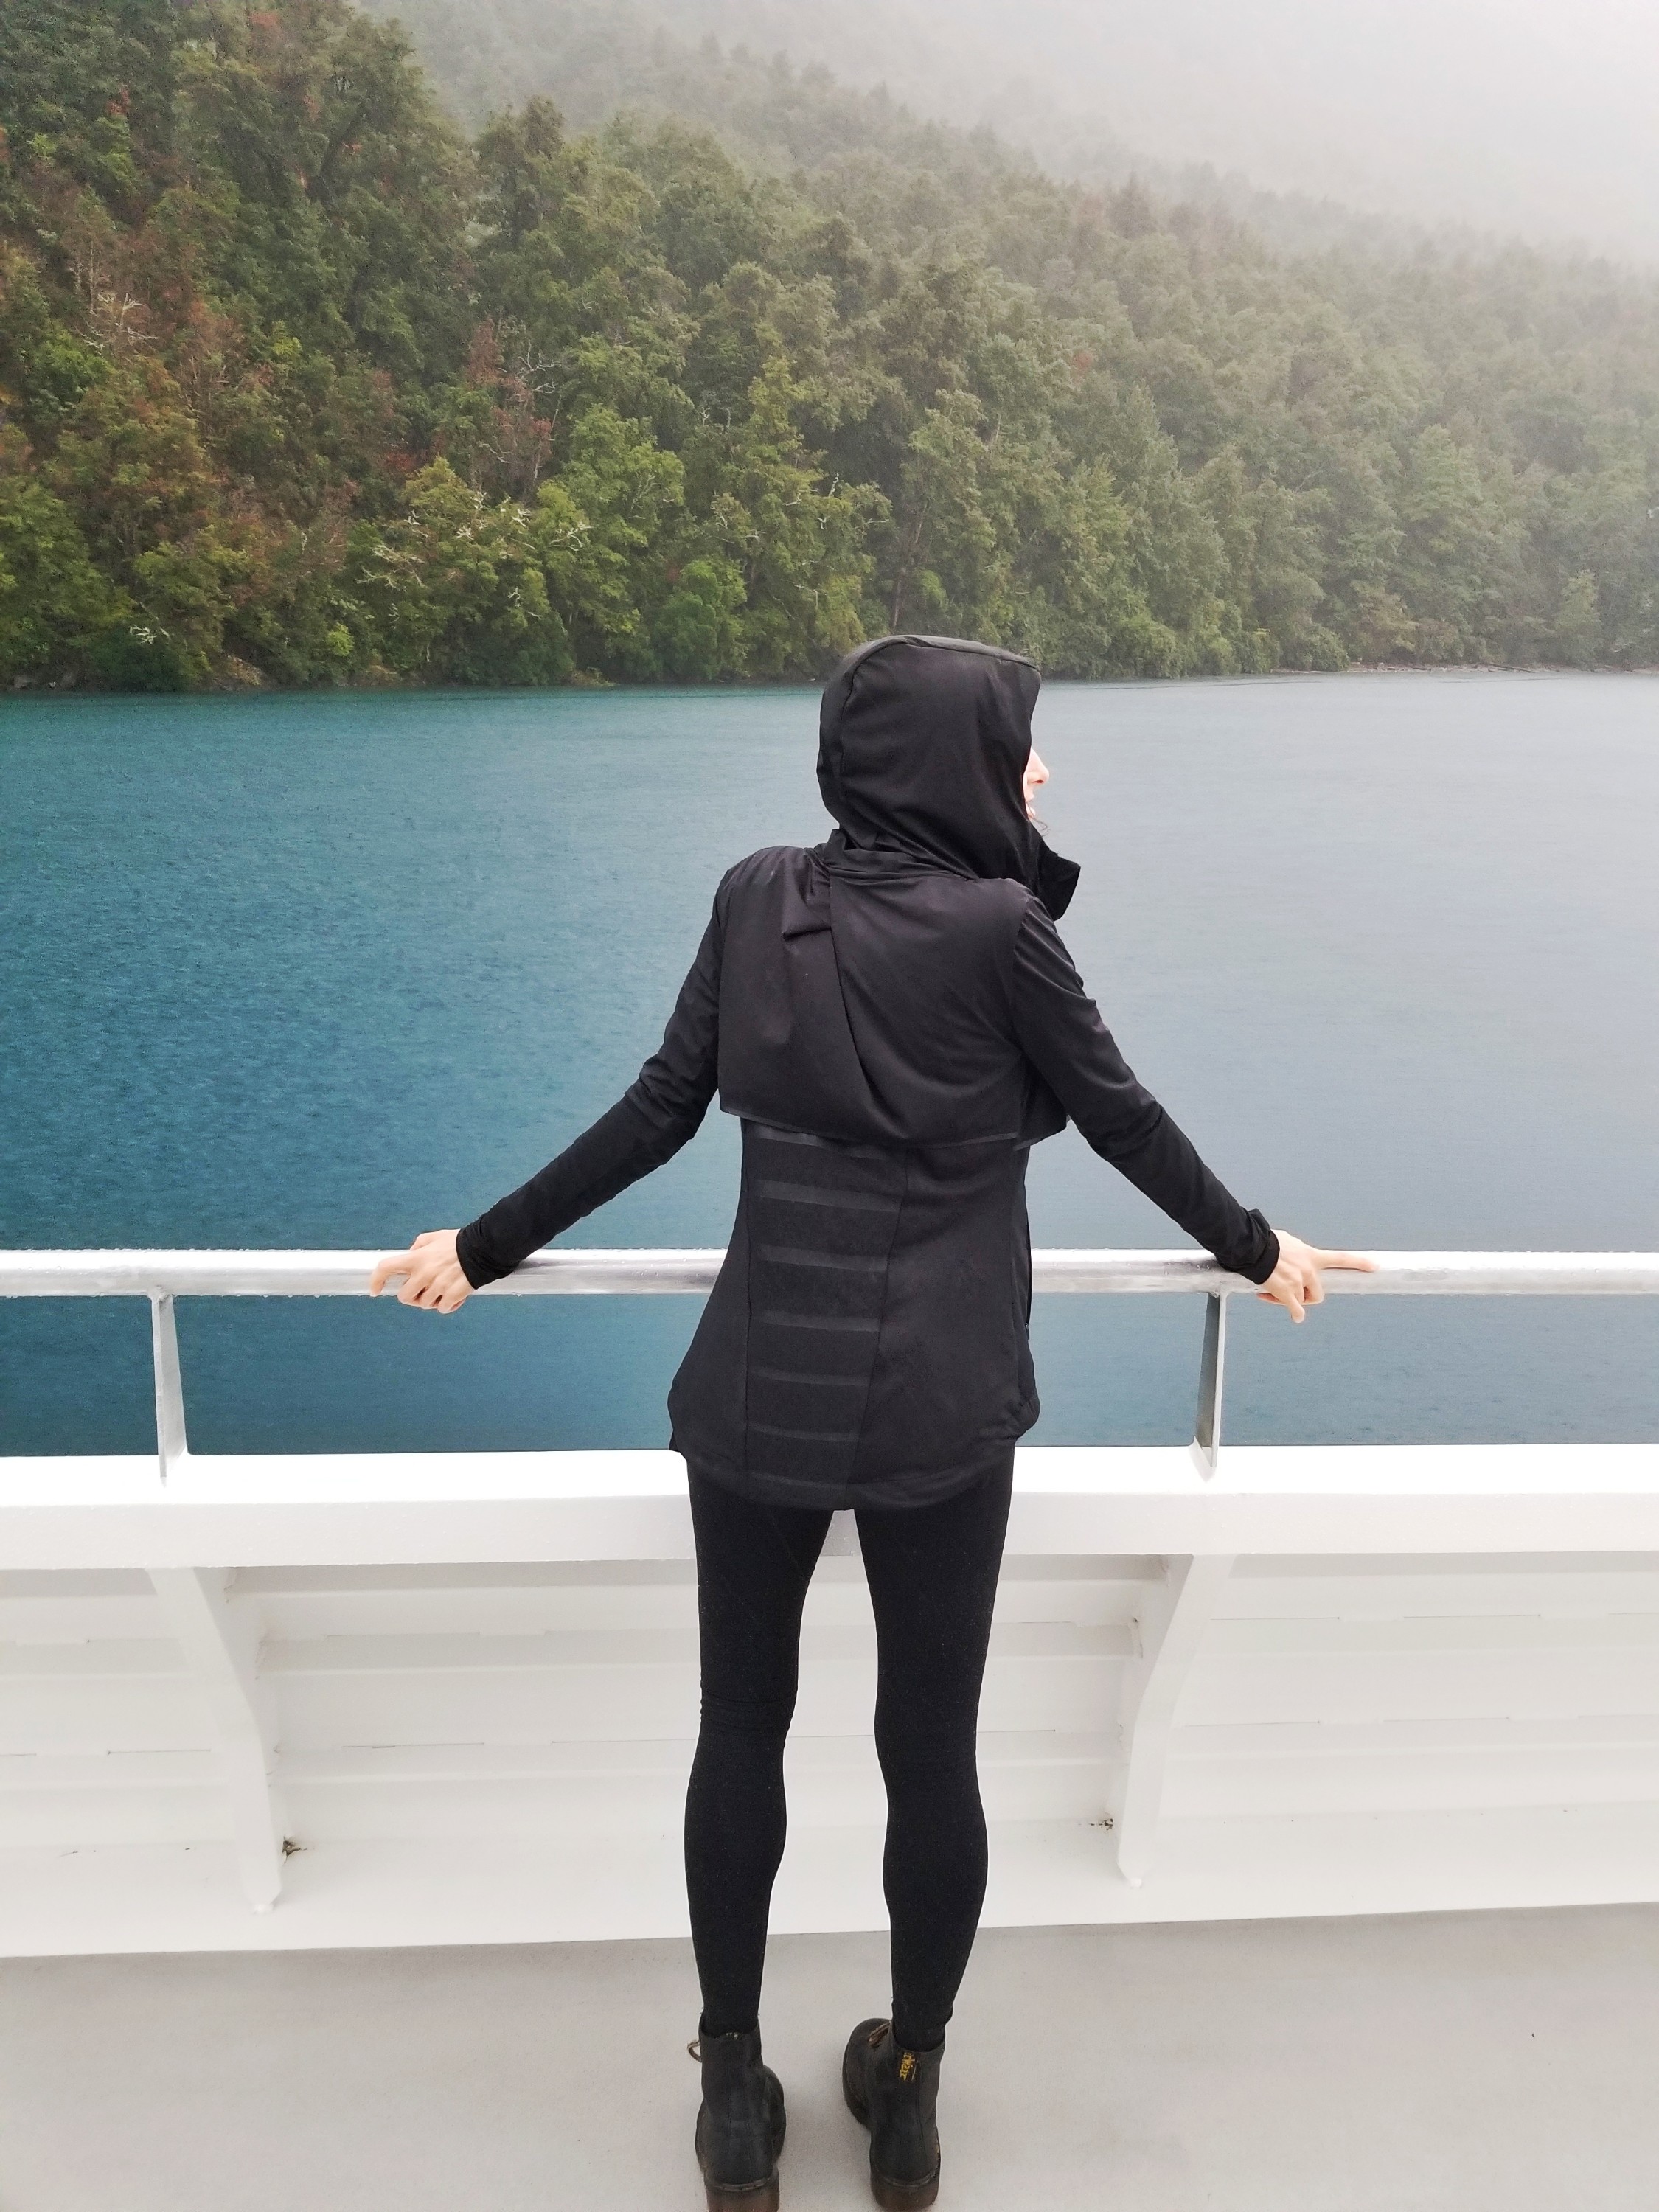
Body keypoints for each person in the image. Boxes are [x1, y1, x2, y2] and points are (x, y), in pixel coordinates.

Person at [372, 634, 1372, 2212]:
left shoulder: (757, 892)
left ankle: (734, 2104)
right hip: (942, 1401)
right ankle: (908, 2099)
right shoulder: (1002, 937)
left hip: (757, 1389)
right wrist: (1260, 1249)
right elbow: (1119, 1117)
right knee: (931, 1751)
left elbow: (657, 1110)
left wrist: (476, 1249)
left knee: (739, 1734)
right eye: (1021, 748)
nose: (1037, 775)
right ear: (955, 761)